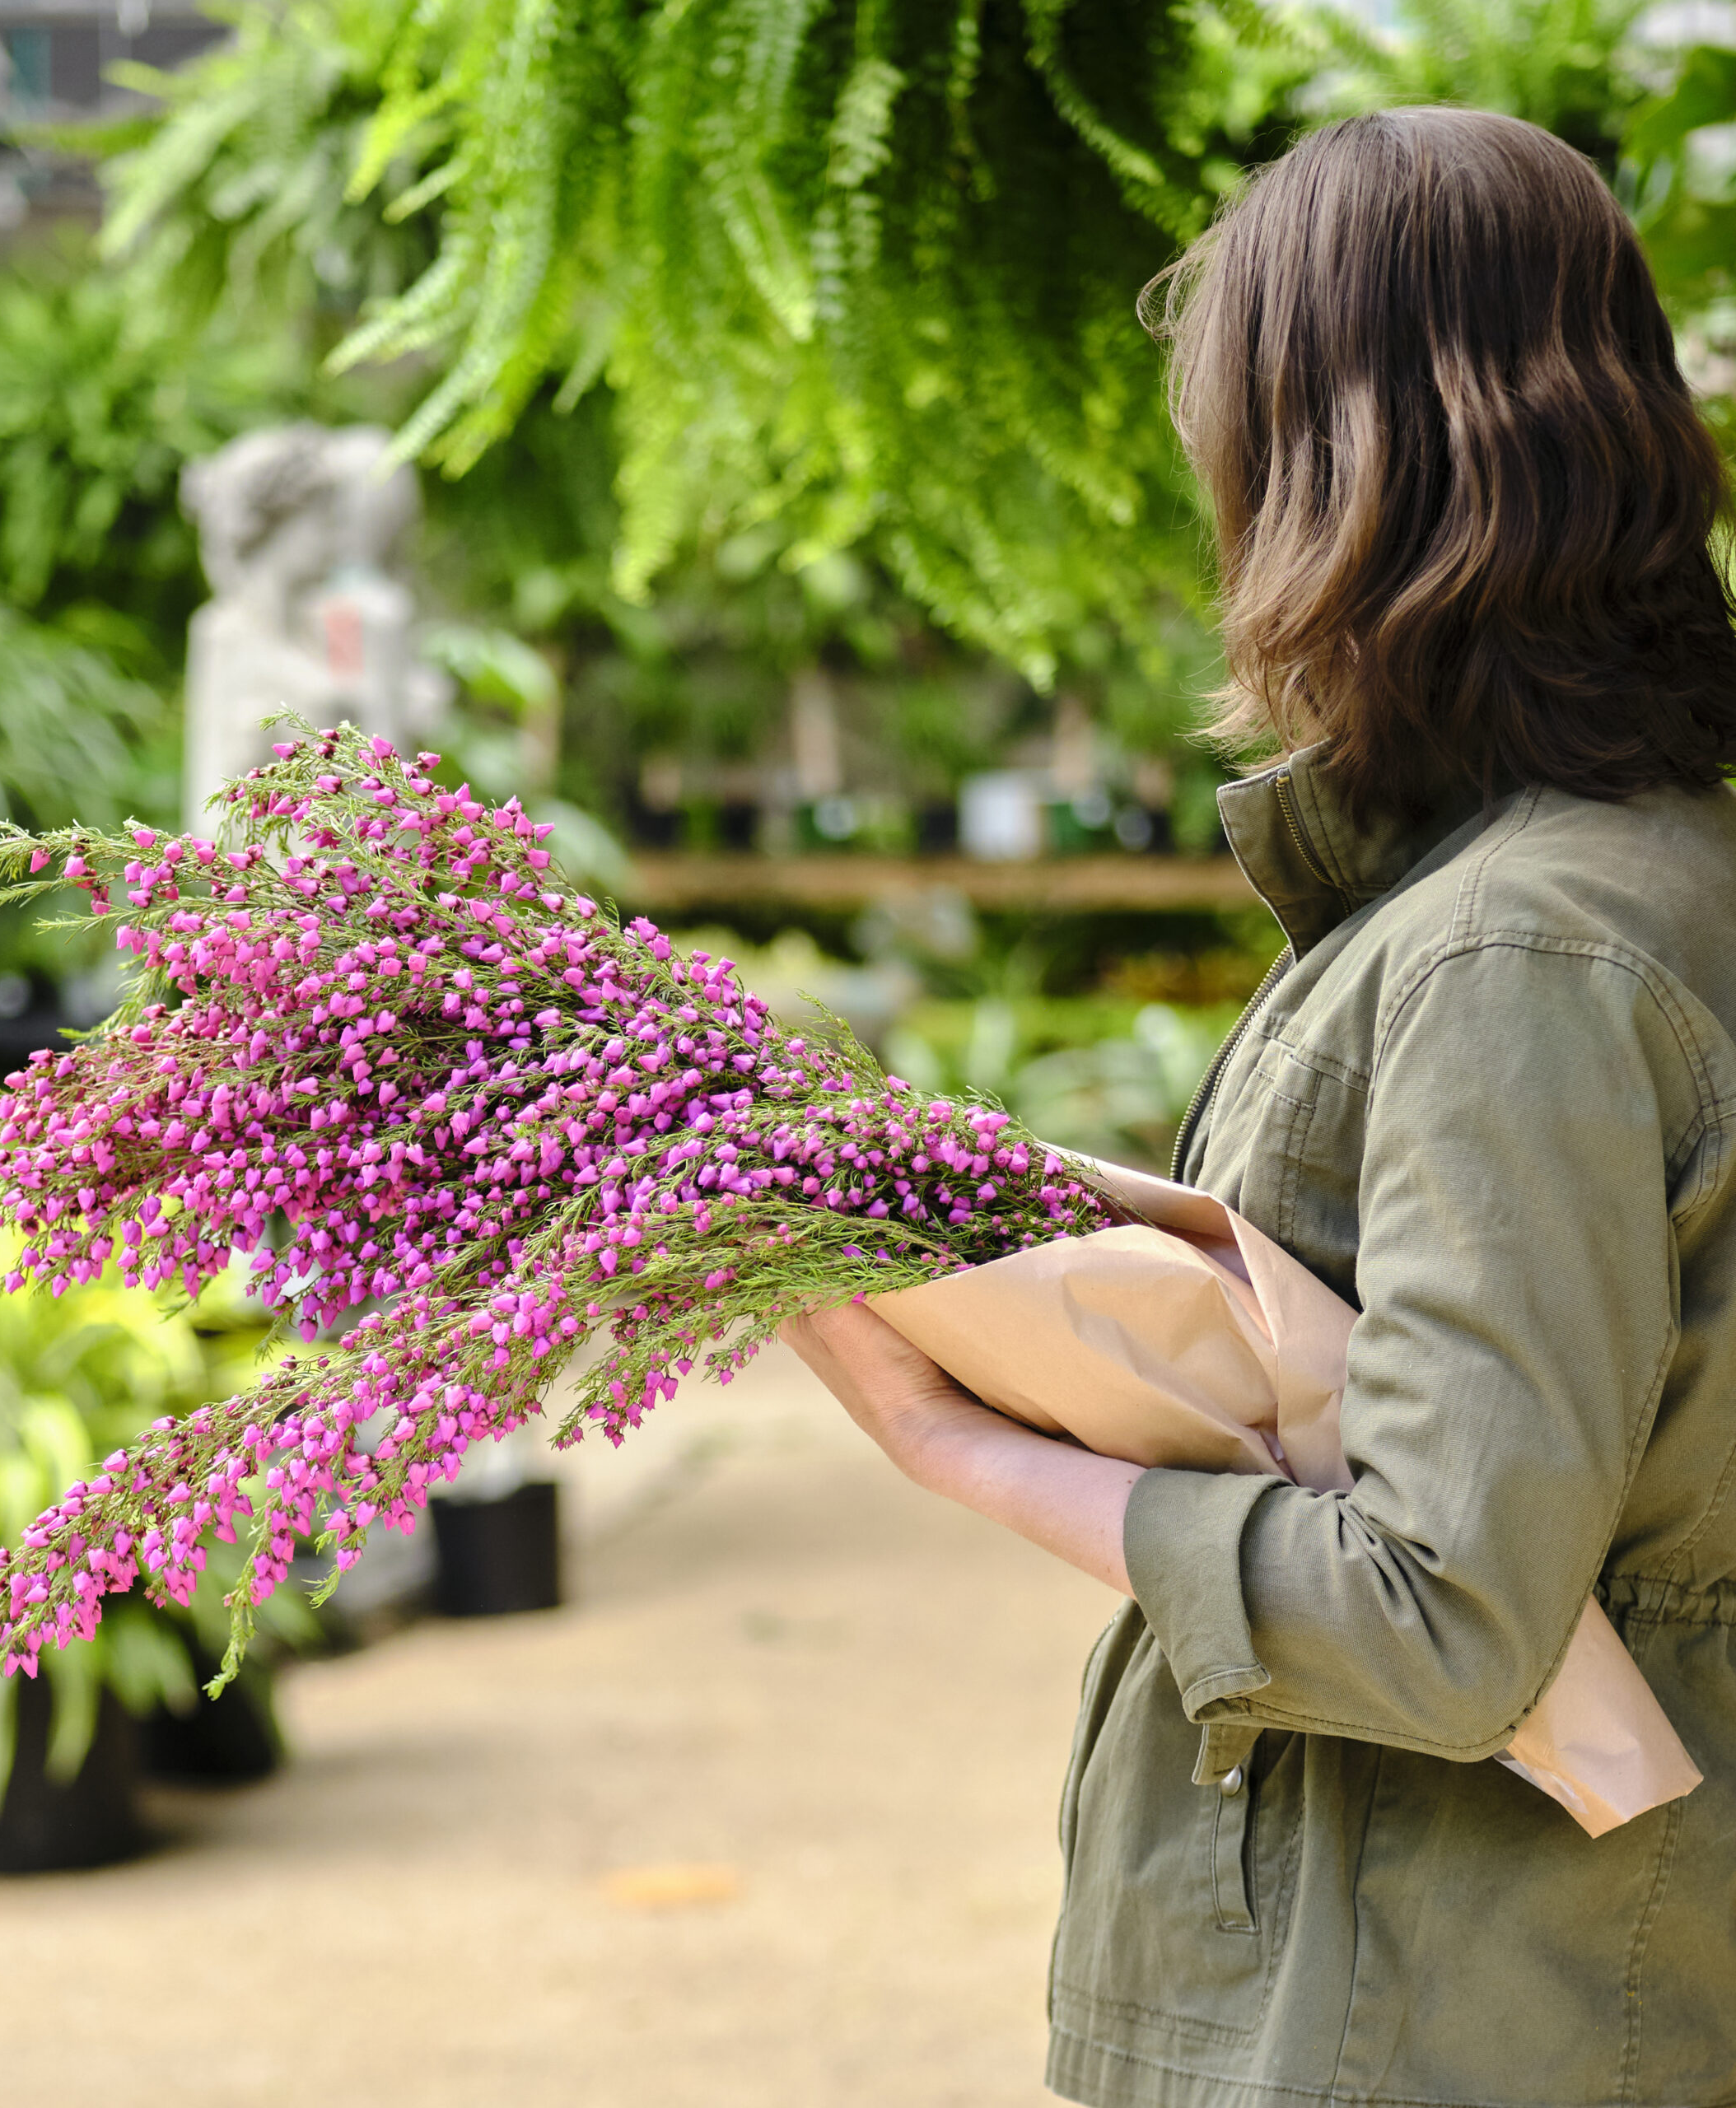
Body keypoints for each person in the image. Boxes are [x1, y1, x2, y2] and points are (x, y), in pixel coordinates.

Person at [784, 108, 1736, 2107]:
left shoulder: (1516, 950)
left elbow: (1440, 1610)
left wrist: (948, 1435)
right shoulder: (1602, 885)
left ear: (1330, 462)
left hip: (1436, 2010)